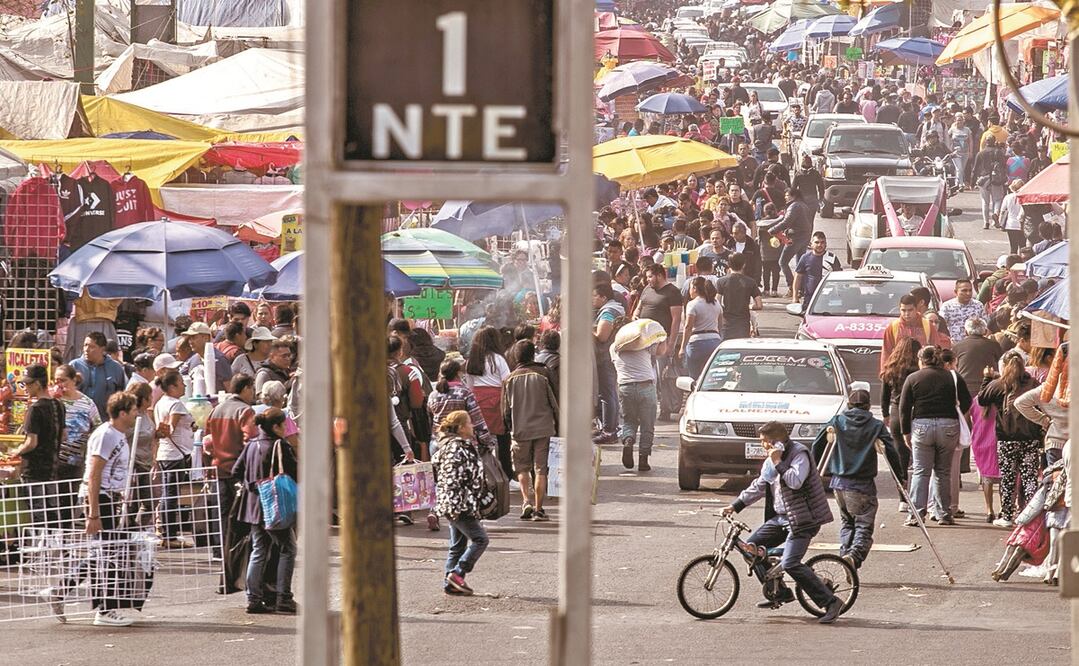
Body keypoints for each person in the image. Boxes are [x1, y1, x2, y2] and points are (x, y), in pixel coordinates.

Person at [721, 421, 844, 624]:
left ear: (777, 442)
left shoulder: (799, 454)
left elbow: (795, 481)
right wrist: (735, 506)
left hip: (803, 519)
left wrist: (778, 461)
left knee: (790, 563)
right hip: (780, 518)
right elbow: (759, 485)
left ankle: (831, 602)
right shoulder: (771, 461)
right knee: (750, 549)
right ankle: (779, 592)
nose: (763, 446)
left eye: (765, 442)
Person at [57, 392, 141, 626]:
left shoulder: (119, 435)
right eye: (133, 410)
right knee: (109, 554)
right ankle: (104, 609)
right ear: (122, 413)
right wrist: (93, 513)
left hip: (109, 496)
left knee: (105, 552)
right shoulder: (106, 435)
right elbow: (94, 473)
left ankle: (61, 590)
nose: (136, 414)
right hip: (98, 496)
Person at [812, 389, 903, 569]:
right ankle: (853, 557)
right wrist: (900, 477)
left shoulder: (837, 421)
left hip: (839, 484)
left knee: (847, 523)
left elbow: (817, 444)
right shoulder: (875, 425)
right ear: (868, 406)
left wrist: (817, 469)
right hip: (861, 485)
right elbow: (891, 451)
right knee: (863, 525)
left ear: (849, 405)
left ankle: (845, 558)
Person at [232, 407, 298, 614]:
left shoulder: (251, 445)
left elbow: (236, 470)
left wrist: (253, 485)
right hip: (276, 507)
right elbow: (296, 472)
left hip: (254, 508)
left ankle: (254, 598)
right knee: (288, 548)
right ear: (276, 427)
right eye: (283, 425)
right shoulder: (280, 445)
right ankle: (283, 597)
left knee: (259, 550)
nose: (285, 429)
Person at [899, 346, 971, 526]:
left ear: (921, 360)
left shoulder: (913, 378)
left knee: (920, 472)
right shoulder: (952, 376)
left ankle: (916, 515)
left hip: (922, 426)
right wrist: (955, 412)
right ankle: (944, 514)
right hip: (948, 425)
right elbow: (967, 401)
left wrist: (906, 432)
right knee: (943, 472)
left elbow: (904, 408)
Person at [979, 351, 1045, 527]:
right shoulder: (1032, 383)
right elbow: (1043, 402)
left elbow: (982, 399)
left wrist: (987, 378)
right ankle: (1031, 516)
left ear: (1004, 366)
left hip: (1006, 438)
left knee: (1008, 478)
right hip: (1030, 438)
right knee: (1030, 478)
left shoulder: (999, 384)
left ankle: (1007, 516)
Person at [432, 410, 490, 596]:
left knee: (457, 546)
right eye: (470, 423)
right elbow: (456, 478)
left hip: (452, 503)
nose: (473, 426)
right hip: (460, 504)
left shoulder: (450, 446)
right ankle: (457, 574)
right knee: (481, 539)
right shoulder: (458, 448)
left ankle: (450, 584)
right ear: (461, 428)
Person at [500, 340, 558, 521]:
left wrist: (510, 428)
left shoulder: (509, 379)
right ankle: (539, 509)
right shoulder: (543, 374)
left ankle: (526, 501)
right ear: (533, 355)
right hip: (543, 428)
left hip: (520, 429)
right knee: (541, 469)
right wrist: (558, 425)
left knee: (522, 468)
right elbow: (554, 403)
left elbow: (505, 410)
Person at [204, 373, 259, 554]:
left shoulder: (216, 410)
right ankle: (236, 551)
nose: (253, 393)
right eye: (252, 388)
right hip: (238, 470)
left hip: (218, 468)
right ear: (245, 388)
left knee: (221, 511)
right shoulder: (245, 411)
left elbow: (207, 442)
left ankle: (219, 550)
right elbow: (251, 440)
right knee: (239, 513)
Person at [12, 364, 65, 526]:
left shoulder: (35, 409)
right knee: (52, 512)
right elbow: (64, 435)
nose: (25, 387)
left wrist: (16, 451)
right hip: (52, 467)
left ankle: (40, 541)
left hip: (34, 470)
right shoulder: (59, 405)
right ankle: (55, 541)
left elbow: (31, 442)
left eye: (27, 383)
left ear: (37, 384)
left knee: (37, 514)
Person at [633, 264, 683, 421]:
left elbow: (676, 320)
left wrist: (671, 344)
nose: (648, 280)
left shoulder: (673, 292)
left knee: (663, 377)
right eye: (647, 277)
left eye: (650, 276)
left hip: (662, 340)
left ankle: (665, 409)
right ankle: (646, 407)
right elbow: (639, 307)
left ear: (660, 275)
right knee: (645, 376)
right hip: (643, 341)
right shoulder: (647, 289)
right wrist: (635, 316)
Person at [463, 326, 513, 478]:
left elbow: (469, 386)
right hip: (497, 401)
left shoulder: (471, 361)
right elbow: (507, 381)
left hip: (477, 402)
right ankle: (506, 474)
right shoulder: (498, 359)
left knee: (480, 439)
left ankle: (482, 474)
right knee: (503, 439)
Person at [154, 369, 195, 548]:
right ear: (172, 386)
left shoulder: (160, 403)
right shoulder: (176, 404)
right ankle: (169, 536)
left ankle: (166, 532)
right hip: (176, 455)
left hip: (165, 453)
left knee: (167, 493)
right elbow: (171, 428)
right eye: (181, 383)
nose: (184, 385)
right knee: (171, 495)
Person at [879, 295, 952, 373]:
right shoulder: (893, 327)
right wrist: (884, 372)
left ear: (916, 309)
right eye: (903, 310)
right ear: (899, 309)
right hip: (899, 372)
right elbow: (886, 353)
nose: (907, 314)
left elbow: (936, 350)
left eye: (910, 310)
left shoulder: (928, 326)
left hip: (922, 372)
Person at [764, 188, 814, 299]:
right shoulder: (804, 205)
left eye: (787, 195)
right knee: (800, 264)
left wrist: (772, 230)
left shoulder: (794, 206)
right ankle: (800, 289)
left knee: (783, 262)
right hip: (804, 237)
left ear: (793, 196)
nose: (785, 197)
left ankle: (792, 287)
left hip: (795, 237)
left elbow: (787, 222)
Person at [592, 282, 624, 443]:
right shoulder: (614, 309)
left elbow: (602, 336)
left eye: (594, 296)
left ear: (603, 297)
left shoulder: (608, 312)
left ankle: (609, 431)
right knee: (609, 393)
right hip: (610, 355)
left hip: (605, 357)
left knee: (607, 394)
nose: (592, 299)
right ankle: (611, 427)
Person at [69, 332, 127, 418]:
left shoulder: (116, 368)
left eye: (92, 347)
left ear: (102, 349)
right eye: (85, 345)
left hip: (106, 420)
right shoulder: (74, 366)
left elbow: (121, 396)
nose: (86, 349)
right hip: (78, 420)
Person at [680, 277, 723, 380]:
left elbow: (688, 327)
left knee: (694, 375)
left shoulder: (692, 304)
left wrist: (682, 347)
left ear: (695, 288)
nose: (689, 291)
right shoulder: (715, 303)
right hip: (714, 340)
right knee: (713, 374)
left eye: (690, 288)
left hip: (697, 343)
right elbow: (720, 323)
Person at [952, 318, 1003, 399]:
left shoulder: (957, 347)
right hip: (989, 387)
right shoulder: (994, 345)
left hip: (965, 388)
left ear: (966, 332)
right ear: (985, 331)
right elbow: (1001, 365)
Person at [792, 232, 841, 309]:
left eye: (822, 242)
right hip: (810, 299)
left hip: (829, 299)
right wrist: (795, 297)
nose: (819, 245)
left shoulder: (832, 258)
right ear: (811, 244)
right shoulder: (805, 258)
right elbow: (798, 276)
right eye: (817, 242)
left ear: (826, 244)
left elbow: (839, 279)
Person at [972, 136, 1008, 230]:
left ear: (986, 142)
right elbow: (1004, 165)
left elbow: (975, 169)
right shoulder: (998, 152)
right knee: (997, 199)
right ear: (994, 141)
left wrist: (972, 182)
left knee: (985, 202)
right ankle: (995, 214)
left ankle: (986, 222)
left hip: (984, 179)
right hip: (996, 179)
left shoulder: (981, 153)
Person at [999, 179, 1027, 254]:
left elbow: (1002, 210)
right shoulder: (1025, 197)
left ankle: (1013, 259)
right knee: (1022, 246)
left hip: (1010, 224)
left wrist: (1000, 222)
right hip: (1022, 224)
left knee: (1013, 247)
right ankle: (1022, 259)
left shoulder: (1007, 197)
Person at [535, 330, 561, 404]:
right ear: (559, 344)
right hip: (558, 402)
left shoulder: (534, 360)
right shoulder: (563, 362)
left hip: (539, 402)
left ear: (542, 343)